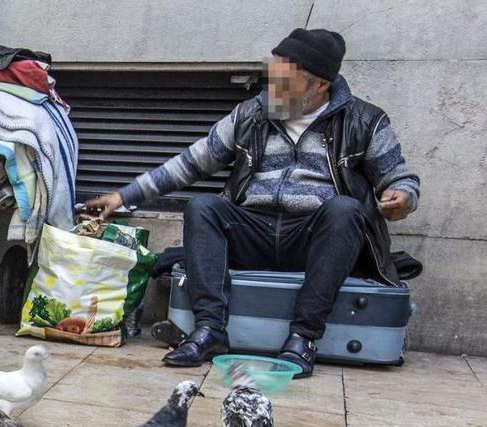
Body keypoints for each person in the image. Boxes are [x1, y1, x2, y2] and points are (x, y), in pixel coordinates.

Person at [85, 29, 420, 379]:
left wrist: (403, 198)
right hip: (253, 231)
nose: (272, 91)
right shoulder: (251, 114)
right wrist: (124, 196)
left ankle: (303, 338)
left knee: (345, 210)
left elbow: (398, 177)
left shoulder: (365, 120)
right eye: (271, 79)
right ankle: (210, 330)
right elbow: (190, 163)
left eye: (284, 83)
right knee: (203, 206)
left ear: (320, 85)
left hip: (313, 239)